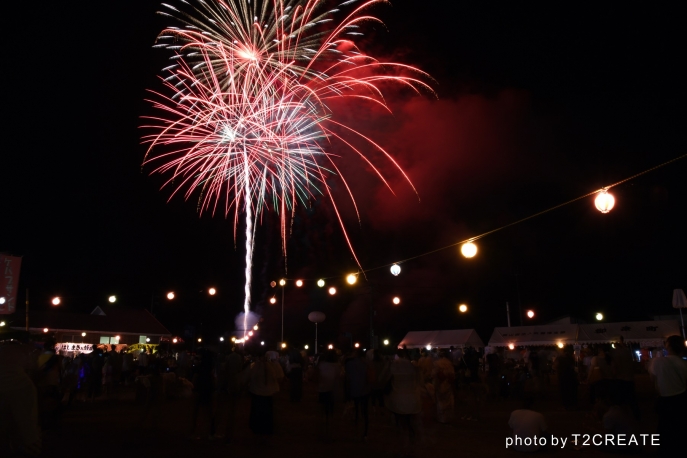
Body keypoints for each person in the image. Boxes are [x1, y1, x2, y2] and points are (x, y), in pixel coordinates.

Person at [0, 339, 42, 457]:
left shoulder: (2, 349)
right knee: (26, 424)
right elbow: (34, 366)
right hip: (22, 388)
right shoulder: (25, 350)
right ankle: (30, 448)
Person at [648, 335, 687, 458]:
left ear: (668, 345)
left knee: (664, 428)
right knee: (680, 427)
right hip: (681, 398)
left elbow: (652, 379)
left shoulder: (658, 362)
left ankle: (665, 451)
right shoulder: (683, 363)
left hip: (664, 399)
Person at [386, 348, 422, 457]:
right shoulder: (413, 366)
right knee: (411, 424)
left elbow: (385, 379)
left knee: (400, 425)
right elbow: (419, 380)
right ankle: (411, 447)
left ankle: (402, 448)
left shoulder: (393, 365)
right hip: (412, 398)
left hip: (398, 398)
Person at [246, 351, 284, 437]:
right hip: (268, 393)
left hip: (257, 392)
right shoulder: (274, 365)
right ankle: (266, 429)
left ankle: (257, 428)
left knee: (257, 412)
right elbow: (280, 377)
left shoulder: (254, 365)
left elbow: (246, 377)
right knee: (267, 412)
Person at [345, 348, 371, 439]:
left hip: (354, 389)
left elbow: (347, 377)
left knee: (356, 408)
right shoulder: (366, 364)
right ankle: (365, 431)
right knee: (365, 410)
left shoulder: (348, 364)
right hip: (364, 389)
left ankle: (356, 426)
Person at [611, 336, 639, 419]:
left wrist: (613, 376)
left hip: (620, 379)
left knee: (620, 400)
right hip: (630, 378)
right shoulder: (628, 352)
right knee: (632, 400)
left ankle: (621, 418)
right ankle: (636, 416)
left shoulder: (615, 353)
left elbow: (614, 368)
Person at [317, 350, 342, 434]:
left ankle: (322, 428)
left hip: (322, 388)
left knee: (323, 408)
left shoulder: (322, 365)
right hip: (332, 389)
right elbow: (339, 376)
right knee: (331, 409)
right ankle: (330, 428)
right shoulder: (337, 366)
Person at [432, 351, 455, 423]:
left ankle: (442, 418)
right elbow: (452, 374)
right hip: (448, 383)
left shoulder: (437, 363)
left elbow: (434, 374)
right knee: (448, 401)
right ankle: (448, 417)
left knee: (440, 401)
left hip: (440, 384)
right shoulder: (449, 363)